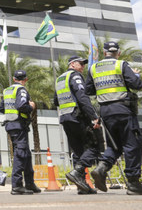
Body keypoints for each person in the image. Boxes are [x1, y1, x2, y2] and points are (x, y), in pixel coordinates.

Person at [84, 41, 142, 195]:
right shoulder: (121, 64)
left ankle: (101, 168)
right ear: (118, 52)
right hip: (123, 110)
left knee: (114, 145)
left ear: (104, 53)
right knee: (132, 144)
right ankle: (134, 184)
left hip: (106, 112)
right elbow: (137, 84)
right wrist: (135, 74)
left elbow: (88, 90)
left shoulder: (93, 68)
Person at [54, 56, 101, 195]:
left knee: (79, 151)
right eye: (81, 64)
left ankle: (82, 186)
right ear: (72, 64)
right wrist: (94, 116)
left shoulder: (59, 79)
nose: (83, 66)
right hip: (77, 116)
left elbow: (56, 101)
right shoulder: (75, 76)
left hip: (65, 118)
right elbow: (82, 97)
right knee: (94, 145)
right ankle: (77, 172)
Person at [0, 70, 40, 195]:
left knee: (26, 154)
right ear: (25, 80)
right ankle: (16, 185)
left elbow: (2, 108)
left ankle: (29, 183)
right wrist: (31, 106)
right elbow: (22, 106)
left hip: (10, 125)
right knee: (20, 153)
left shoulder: (7, 91)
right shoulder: (21, 90)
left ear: (13, 78)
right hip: (19, 125)